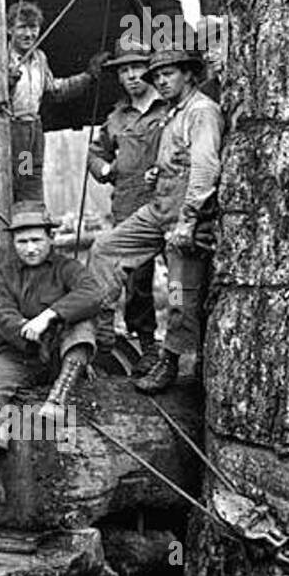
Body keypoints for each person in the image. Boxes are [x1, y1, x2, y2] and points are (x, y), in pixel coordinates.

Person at [88, 46, 223, 393]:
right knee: (105, 248)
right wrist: (156, 173)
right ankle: (101, 333)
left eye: (169, 74)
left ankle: (171, 361)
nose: (161, 81)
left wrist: (189, 223)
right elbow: (180, 160)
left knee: (177, 294)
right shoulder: (174, 114)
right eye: (158, 76)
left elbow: (206, 169)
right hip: (158, 209)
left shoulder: (201, 112)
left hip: (184, 219)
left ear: (189, 74)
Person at [0, 203, 100, 511]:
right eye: (22, 242)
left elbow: (93, 293)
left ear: (50, 239)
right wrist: (28, 329)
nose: (30, 248)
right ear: (13, 244)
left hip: (62, 352)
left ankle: (57, 399)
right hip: (21, 353)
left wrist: (51, 316)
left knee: (81, 325)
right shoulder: (2, 276)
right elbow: (4, 317)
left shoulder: (67, 268)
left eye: (36, 240)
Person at [86, 36, 169, 370]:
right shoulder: (116, 118)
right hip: (129, 203)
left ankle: (179, 341)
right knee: (134, 277)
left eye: (138, 68)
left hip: (169, 202)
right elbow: (95, 153)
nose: (133, 76)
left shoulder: (169, 108)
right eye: (125, 71)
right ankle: (145, 341)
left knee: (177, 278)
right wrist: (106, 169)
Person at [6, 0, 108, 203]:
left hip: (31, 129)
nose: (29, 34)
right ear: (9, 29)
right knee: (15, 178)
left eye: (33, 27)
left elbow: (55, 89)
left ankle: (32, 218)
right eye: (22, 27)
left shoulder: (39, 58)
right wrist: (6, 83)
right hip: (12, 129)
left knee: (30, 177)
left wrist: (88, 76)